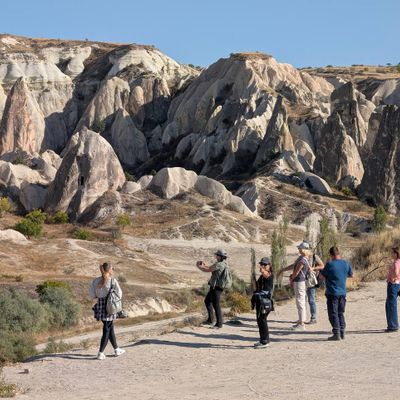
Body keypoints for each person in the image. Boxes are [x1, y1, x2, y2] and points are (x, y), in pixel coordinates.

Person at [89, 262, 126, 359]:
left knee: (109, 328)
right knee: (107, 329)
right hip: (110, 306)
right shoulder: (113, 281)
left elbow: (92, 295)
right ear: (109, 270)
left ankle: (116, 349)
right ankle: (100, 353)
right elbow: (120, 294)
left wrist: (99, 295)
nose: (113, 270)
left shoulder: (95, 281)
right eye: (112, 268)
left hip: (100, 306)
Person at [320, 246, 353, 341]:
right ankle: (342, 332)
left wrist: (322, 271)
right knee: (340, 313)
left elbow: (321, 277)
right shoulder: (346, 263)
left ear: (331, 255)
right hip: (342, 292)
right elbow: (350, 274)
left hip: (332, 292)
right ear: (339, 253)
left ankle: (336, 333)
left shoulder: (330, 264)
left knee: (333, 313)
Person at [279, 241, 311, 330]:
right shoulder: (303, 258)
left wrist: (291, 279)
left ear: (303, 249)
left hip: (300, 282)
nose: (298, 249)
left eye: (300, 248)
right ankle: (301, 321)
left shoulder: (302, 260)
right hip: (300, 282)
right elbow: (294, 266)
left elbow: (296, 272)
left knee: (300, 302)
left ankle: (301, 323)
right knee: (300, 301)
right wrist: (283, 270)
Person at [196, 249, 228, 329]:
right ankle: (210, 320)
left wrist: (199, 267)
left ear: (220, 257)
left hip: (217, 287)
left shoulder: (220, 264)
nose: (216, 256)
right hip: (214, 286)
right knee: (207, 301)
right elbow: (210, 267)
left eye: (217, 255)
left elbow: (208, 270)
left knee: (216, 305)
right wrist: (204, 265)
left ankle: (219, 324)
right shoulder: (221, 263)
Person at [251, 257, 274, 349]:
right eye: (261, 264)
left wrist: (263, 270)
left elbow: (266, 275)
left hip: (265, 301)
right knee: (260, 320)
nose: (263, 266)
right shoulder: (262, 276)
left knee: (262, 320)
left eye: (265, 264)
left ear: (269, 265)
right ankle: (263, 340)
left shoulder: (269, 274)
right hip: (260, 300)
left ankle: (264, 341)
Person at [306, 250, 324, 324]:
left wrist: (313, 268)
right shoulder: (302, 256)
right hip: (302, 281)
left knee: (311, 300)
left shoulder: (314, 257)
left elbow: (322, 266)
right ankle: (302, 318)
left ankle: (313, 318)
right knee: (302, 300)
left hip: (311, 281)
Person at [385, 247, 400, 332]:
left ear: (396, 254)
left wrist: (394, 277)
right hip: (398, 284)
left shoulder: (396, 263)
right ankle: (393, 325)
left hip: (393, 284)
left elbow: (396, 272)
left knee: (390, 305)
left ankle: (393, 326)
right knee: (391, 304)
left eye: (392, 253)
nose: (391, 254)